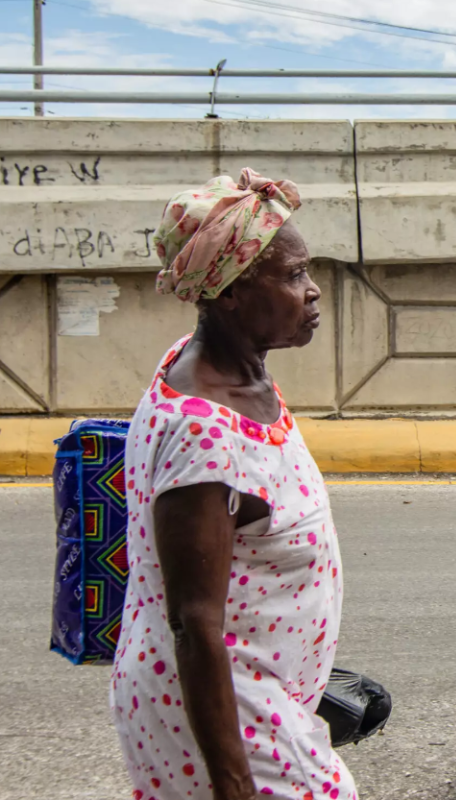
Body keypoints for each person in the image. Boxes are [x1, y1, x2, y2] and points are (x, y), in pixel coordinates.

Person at [110, 169, 358, 800]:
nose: (312, 292)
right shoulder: (206, 429)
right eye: (293, 275)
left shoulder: (231, 371)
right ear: (226, 292)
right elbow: (194, 621)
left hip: (259, 685)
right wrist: (233, 784)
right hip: (220, 703)